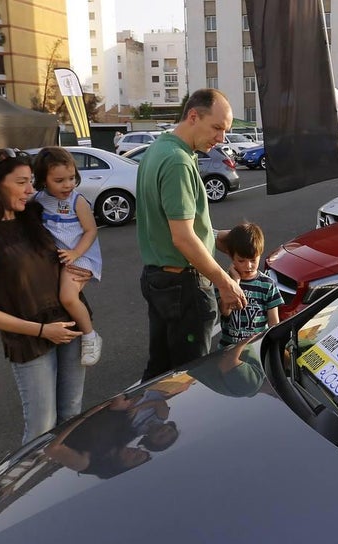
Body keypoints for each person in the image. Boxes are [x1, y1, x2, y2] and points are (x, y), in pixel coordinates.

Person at [0, 148, 89, 442]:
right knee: (41, 431)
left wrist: (81, 274)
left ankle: (65, 483)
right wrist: (44, 331)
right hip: (31, 341)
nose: (31, 190)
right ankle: (32, 487)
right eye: (22, 182)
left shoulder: (34, 215)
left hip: (70, 327)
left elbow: (76, 240)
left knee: (72, 417)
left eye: (31, 181)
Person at [136, 87, 246, 382]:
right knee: (190, 380)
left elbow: (168, 222)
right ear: (193, 116)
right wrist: (224, 283)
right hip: (183, 286)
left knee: (159, 373)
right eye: (217, 127)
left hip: (158, 279)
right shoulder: (178, 162)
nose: (221, 138)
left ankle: (148, 425)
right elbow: (182, 238)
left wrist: (215, 237)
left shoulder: (159, 150)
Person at [32, 146, 104, 366]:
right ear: (44, 180)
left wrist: (76, 253)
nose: (68, 185)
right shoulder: (37, 199)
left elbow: (91, 230)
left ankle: (91, 336)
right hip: (62, 257)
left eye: (72, 178)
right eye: (60, 180)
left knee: (68, 297)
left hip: (80, 255)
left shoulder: (77, 201)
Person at [216, 222, 281, 348]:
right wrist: (235, 282)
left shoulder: (268, 285)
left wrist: (274, 346)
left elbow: (274, 322)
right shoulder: (224, 280)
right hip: (228, 349)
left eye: (253, 260)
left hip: (255, 348)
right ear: (231, 255)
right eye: (241, 260)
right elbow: (225, 311)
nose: (248, 266)